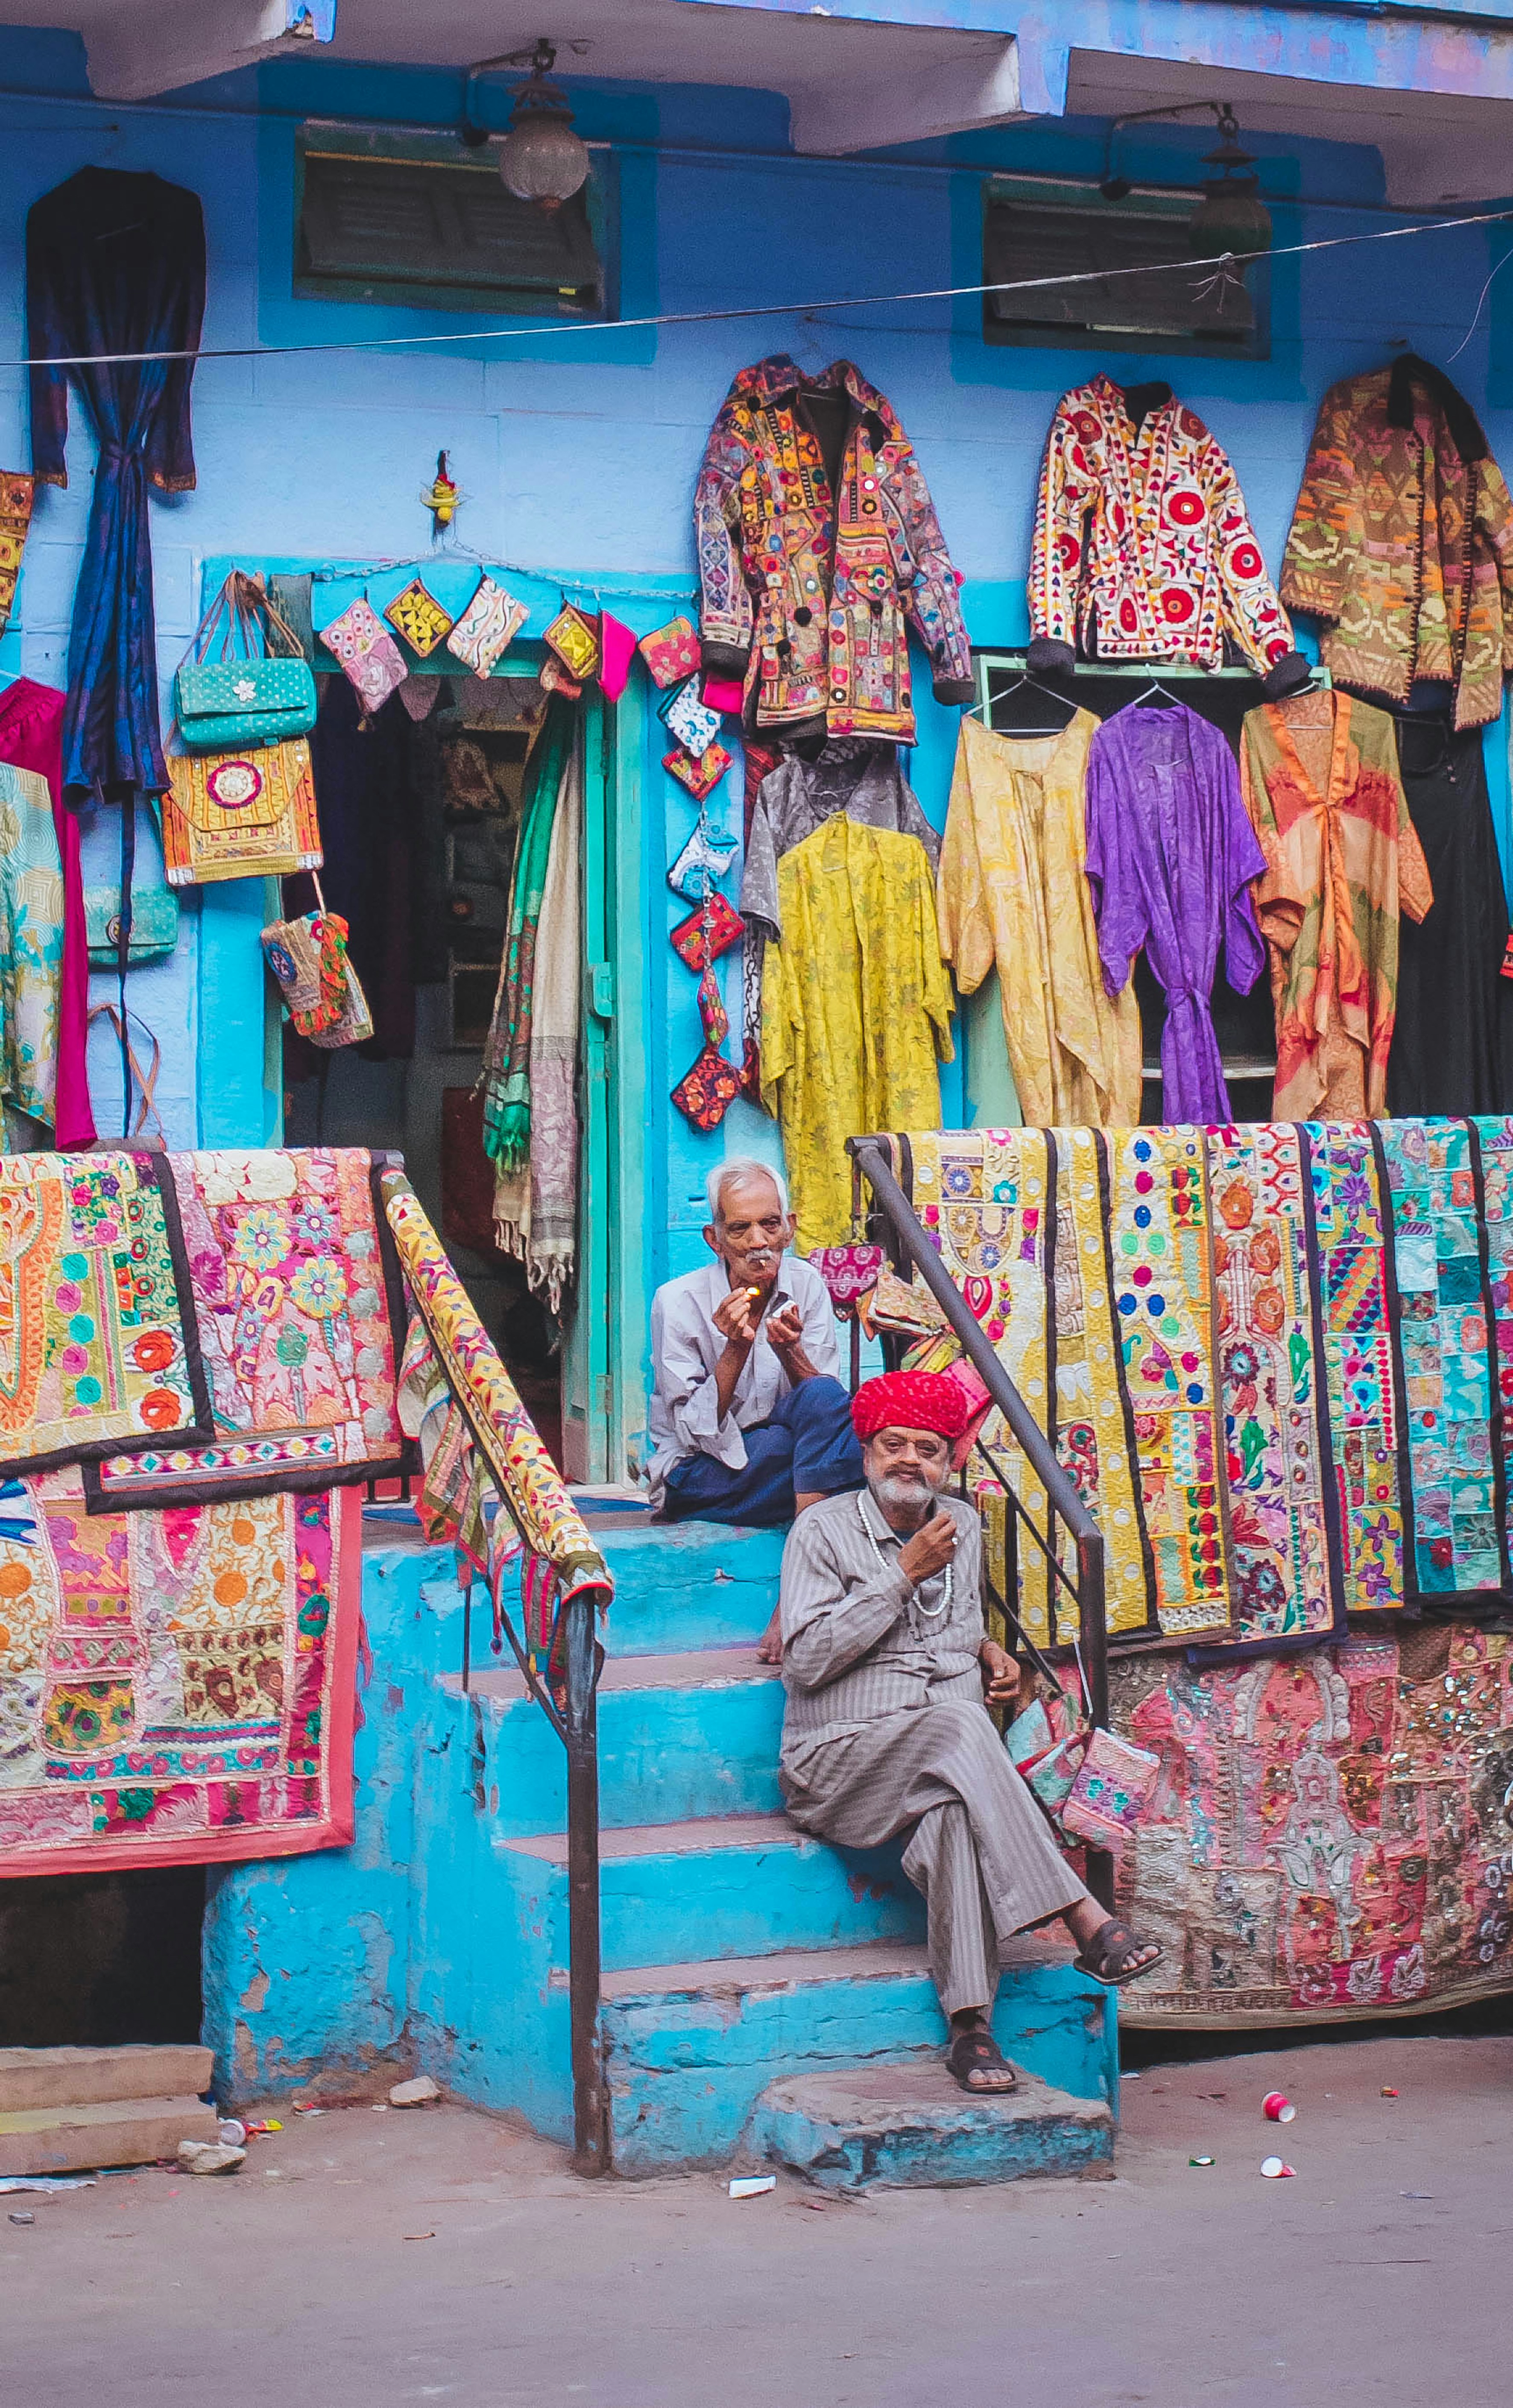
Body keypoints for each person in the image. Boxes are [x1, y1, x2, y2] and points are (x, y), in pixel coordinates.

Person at [778, 1369, 1162, 2094]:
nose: (908, 1461)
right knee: (957, 1724)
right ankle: (1083, 1915)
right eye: (893, 1445)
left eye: (927, 1449)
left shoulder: (962, 1522)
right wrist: (901, 1573)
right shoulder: (820, 1530)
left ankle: (970, 2028)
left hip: (935, 1759)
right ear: (866, 1452)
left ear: (949, 1461)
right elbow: (805, 1661)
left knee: (955, 1812)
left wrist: (989, 1652)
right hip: (836, 1763)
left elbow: (951, 1638)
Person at [647, 1159, 865, 1621]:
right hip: (703, 1475)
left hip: (784, 1464)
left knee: (833, 1416)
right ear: (715, 1240)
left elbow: (824, 1406)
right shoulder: (677, 1301)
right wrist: (736, 1347)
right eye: (740, 1229)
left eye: (769, 1225)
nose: (758, 1242)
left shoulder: (806, 1283)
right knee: (845, 1464)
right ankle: (808, 1587)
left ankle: (799, 1584)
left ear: (789, 1229)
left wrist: (790, 1353)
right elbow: (694, 1435)